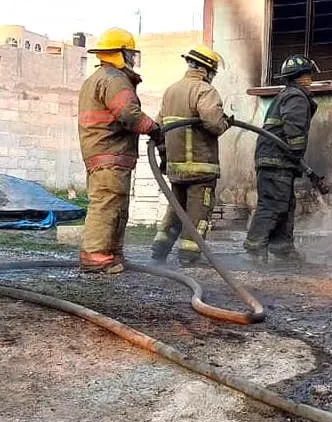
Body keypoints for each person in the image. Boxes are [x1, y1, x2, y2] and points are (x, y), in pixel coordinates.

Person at [77, 27, 162, 274]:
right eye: (131, 53)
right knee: (107, 205)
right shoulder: (114, 80)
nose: (133, 59)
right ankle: (96, 258)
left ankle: (112, 254)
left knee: (115, 206)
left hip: (105, 153)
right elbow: (128, 113)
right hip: (109, 153)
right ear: (121, 53)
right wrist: (153, 128)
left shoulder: (100, 78)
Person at [150, 45, 232, 266]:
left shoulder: (171, 91)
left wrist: (165, 159)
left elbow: (159, 127)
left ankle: (159, 250)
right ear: (207, 70)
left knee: (176, 209)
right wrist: (226, 122)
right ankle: (189, 255)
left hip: (176, 168)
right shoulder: (205, 90)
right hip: (200, 168)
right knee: (197, 213)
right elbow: (214, 123)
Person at [243, 55, 319, 260]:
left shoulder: (288, 94)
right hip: (277, 159)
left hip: (278, 159)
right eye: (308, 75)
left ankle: (282, 248)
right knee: (272, 204)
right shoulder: (296, 97)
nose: (310, 80)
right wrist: (297, 152)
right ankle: (255, 249)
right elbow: (294, 127)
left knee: (285, 205)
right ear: (302, 76)